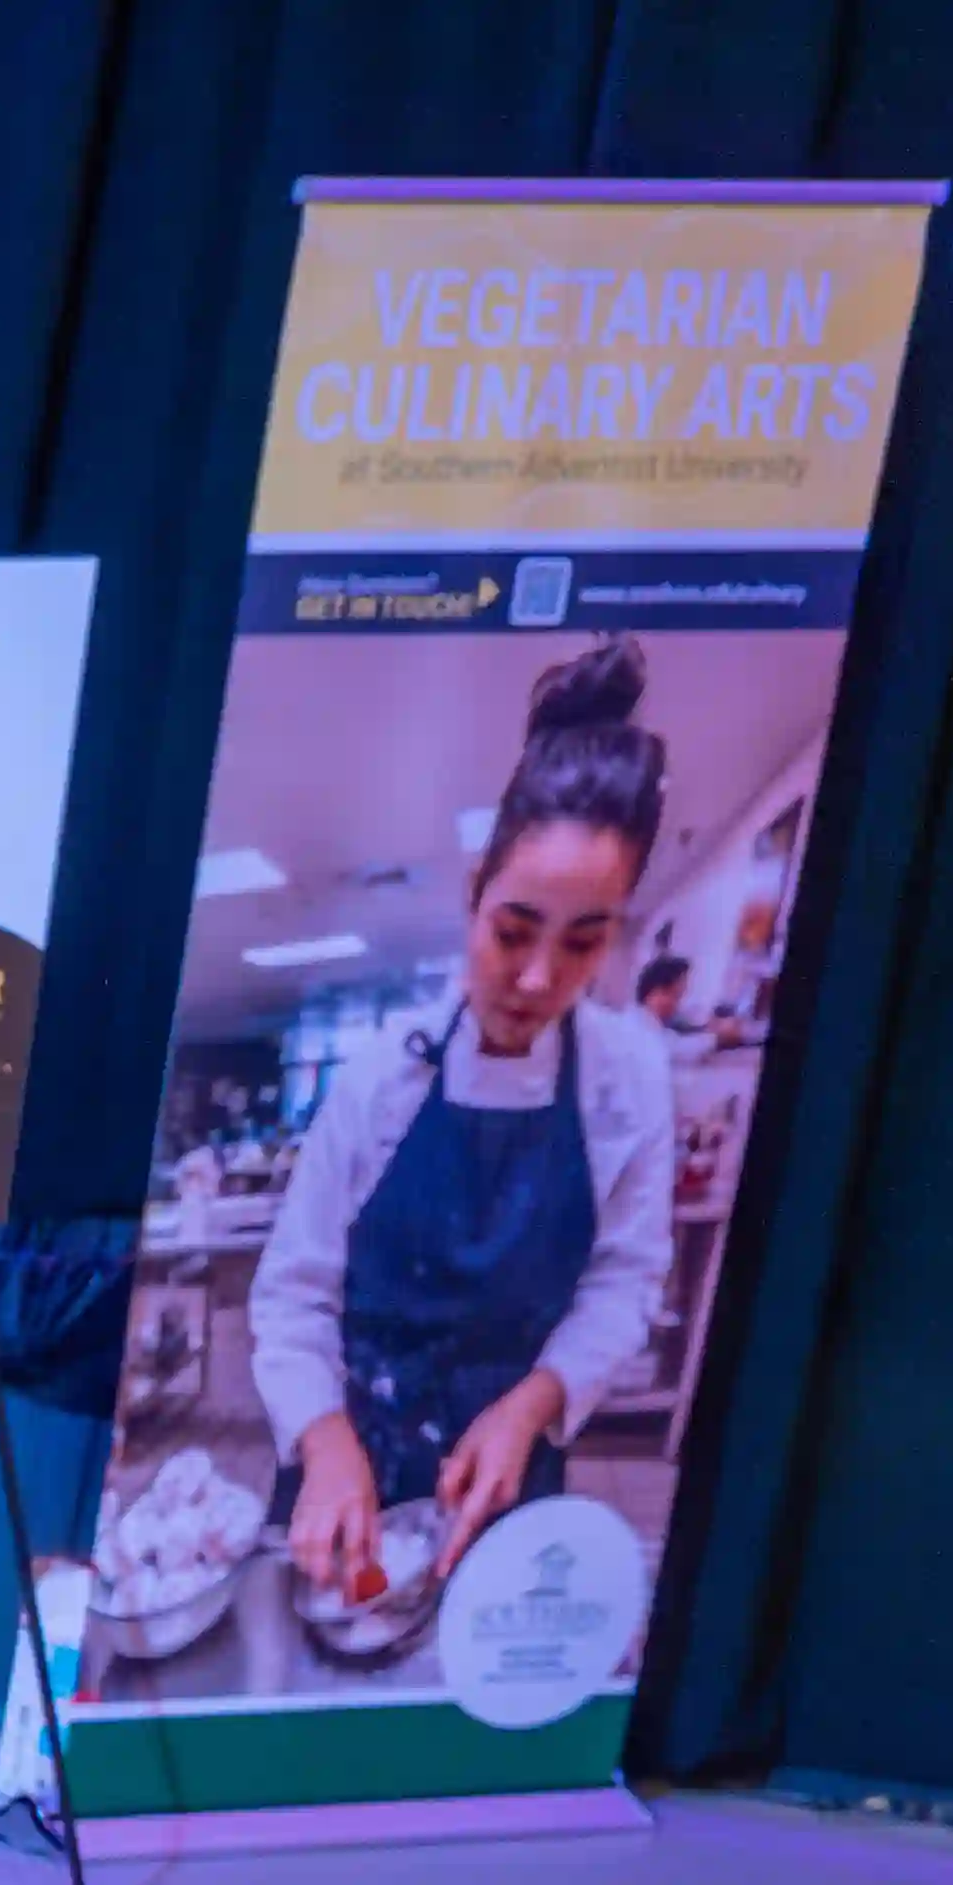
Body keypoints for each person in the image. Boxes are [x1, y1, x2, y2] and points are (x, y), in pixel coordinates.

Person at [249, 637, 680, 1622]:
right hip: (347, 1460)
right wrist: (323, 1443)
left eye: (584, 941)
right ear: (473, 896)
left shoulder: (630, 1082)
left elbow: (623, 1280)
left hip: (510, 1458)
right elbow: (293, 1293)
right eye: (515, 930)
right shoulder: (376, 1081)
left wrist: (534, 1405)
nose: (537, 980)